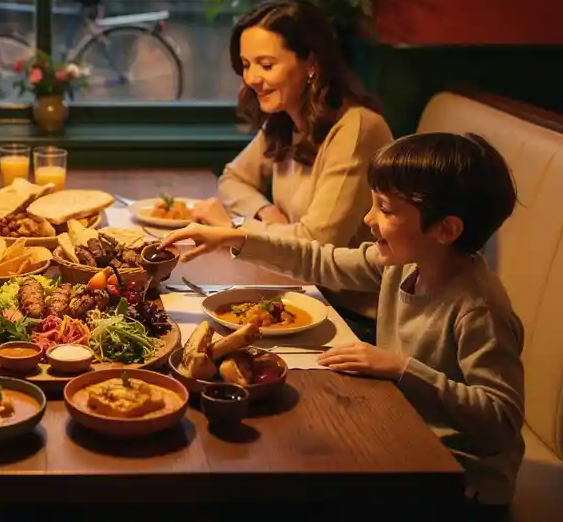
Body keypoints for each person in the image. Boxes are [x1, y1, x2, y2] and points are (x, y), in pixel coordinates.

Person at [165, 132, 524, 516]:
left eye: (385, 209)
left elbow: (500, 419)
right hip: (403, 434)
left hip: (459, 483)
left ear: (445, 230)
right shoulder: (404, 264)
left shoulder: (479, 308)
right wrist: (233, 237)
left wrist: (401, 368)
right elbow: (323, 260)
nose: (368, 219)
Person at [192, 0, 393, 321]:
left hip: (354, 316)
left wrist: (236, 228)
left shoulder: (355, 129)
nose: (252, 79)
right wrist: (267, 212)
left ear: (311, 64)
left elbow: (317, 244)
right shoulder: (284, 119)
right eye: (246, 65)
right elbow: (233, 178)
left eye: (266, 64)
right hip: (302, 292)